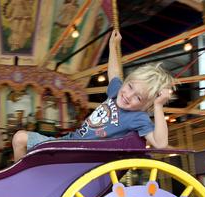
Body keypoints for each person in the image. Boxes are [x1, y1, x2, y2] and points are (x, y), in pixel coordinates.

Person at [12, 30, 175, 161]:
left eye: (138, 98)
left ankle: (20, 179)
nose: (128, 95)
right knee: (20, 140)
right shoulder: (117, 93)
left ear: (146, 105)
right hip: (69, 143)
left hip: (74, 152)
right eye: (130, 86)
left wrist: (159, 105)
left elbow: (160, 143)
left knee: (20, 138)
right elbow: (114, 75)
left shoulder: (137, 118)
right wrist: (112, 46)